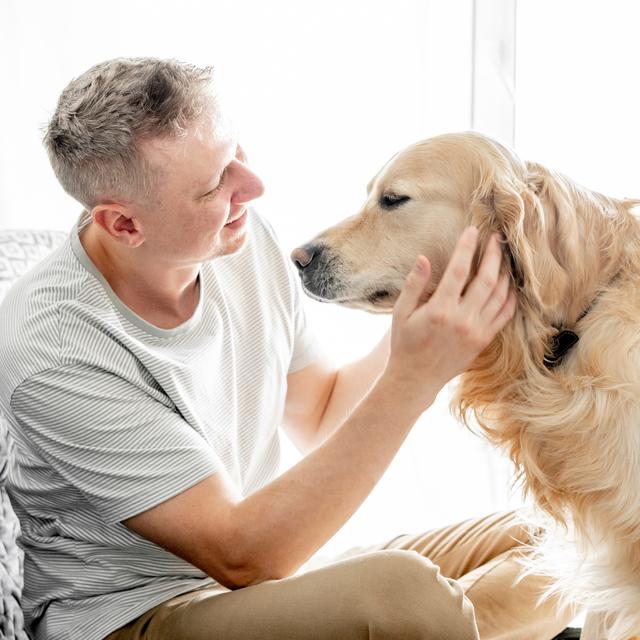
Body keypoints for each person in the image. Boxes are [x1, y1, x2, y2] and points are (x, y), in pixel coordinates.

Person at [0, 58, 572, 640]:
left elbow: (321, 411)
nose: (252, 186)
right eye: (215, 183)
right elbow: (241, 554)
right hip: (134, 614)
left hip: (256, 586)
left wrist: (421, 320)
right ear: (123, 224)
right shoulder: (52, 346)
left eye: (235, 153)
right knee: (407, 594)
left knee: (566, 540)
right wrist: (414, 379)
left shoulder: (239, 240)